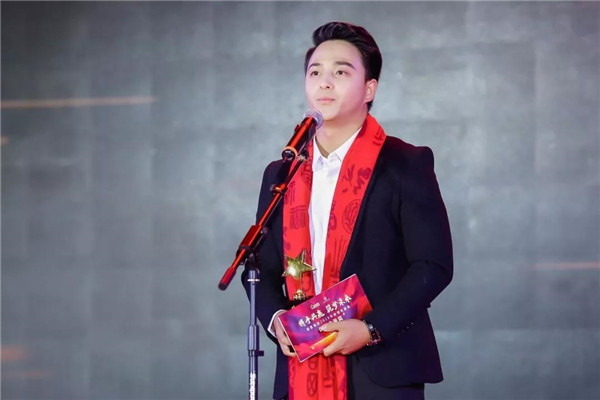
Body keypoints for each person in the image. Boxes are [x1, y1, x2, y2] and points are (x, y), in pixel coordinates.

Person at [242, 21, 453, 400]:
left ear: (369, 88)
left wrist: (371, 329)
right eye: (315, 73)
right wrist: (276, 321)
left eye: (341, 72)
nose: (325, 83)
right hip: (301, 367)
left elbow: (433, 266)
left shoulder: (405, 164)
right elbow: (259, 267)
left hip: (382, 369)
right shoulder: (283, 173)